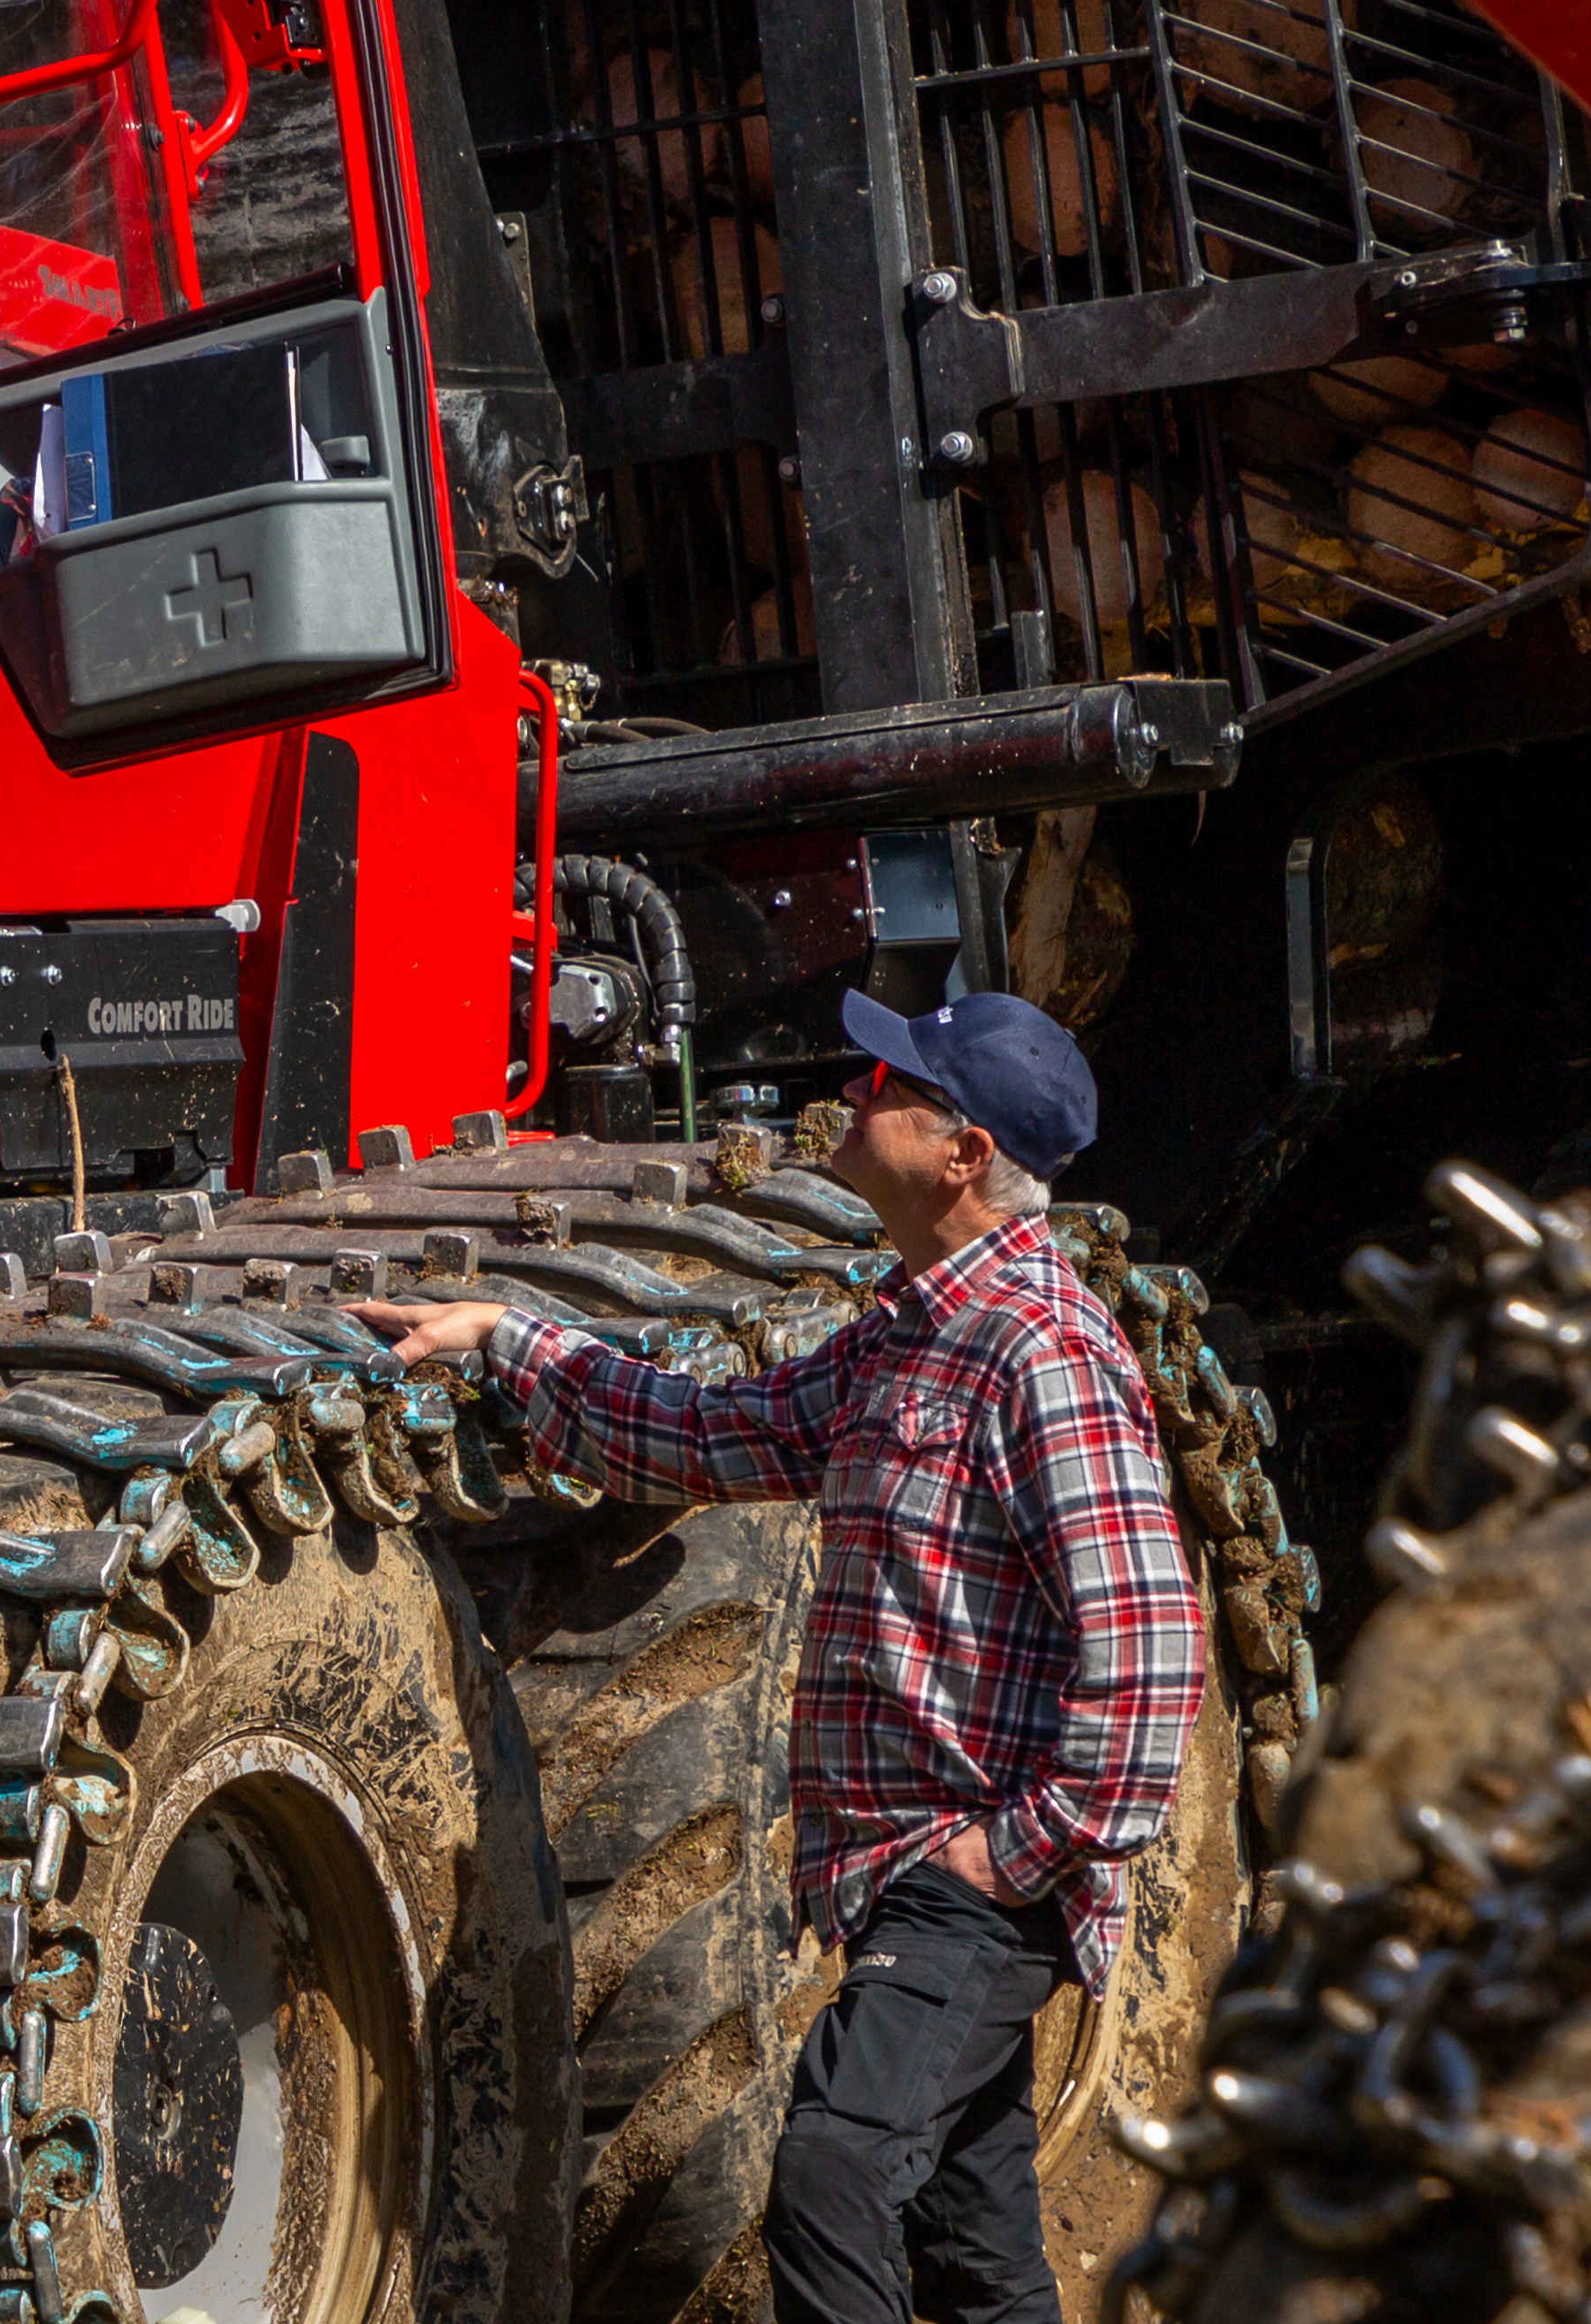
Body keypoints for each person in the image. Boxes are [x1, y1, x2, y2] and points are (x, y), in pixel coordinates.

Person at [358, 989, 1203, 2324]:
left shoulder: (1041, 1351)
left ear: (963, 1153)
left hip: (967, 1879)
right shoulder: (908, 1331)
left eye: (891, 1083)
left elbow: (1150, 1651)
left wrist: (1020, 1851)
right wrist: (509, 1342)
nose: (858, 1091)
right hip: (907, 1873)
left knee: (830, 2167)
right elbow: (712, 1433)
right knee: (971, 2241)